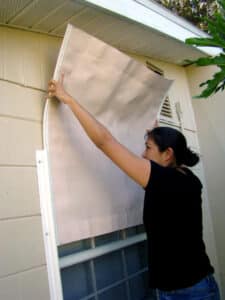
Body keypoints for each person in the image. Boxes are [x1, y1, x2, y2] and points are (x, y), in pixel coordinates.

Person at [48, 75, 220, 300]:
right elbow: (164, 154)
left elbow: (105, 142)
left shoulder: (165, 180)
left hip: (190, 294)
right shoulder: (186, 178)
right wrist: (154, 128)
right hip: (187, 287)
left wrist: (67, 98)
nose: (143, 154)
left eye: (148, 148)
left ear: (168, 154)